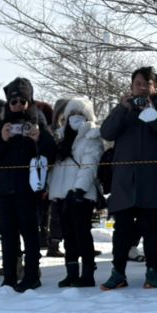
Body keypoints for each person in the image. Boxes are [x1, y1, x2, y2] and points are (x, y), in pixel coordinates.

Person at [100, 66, 157, 290]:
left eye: (147, 83)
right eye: (137, 83)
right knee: (122, 231)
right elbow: (106, 132)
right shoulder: (124, 109)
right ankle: (117, 273)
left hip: (154, 181)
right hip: (125, 181)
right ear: (131, 86)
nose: (142, 87)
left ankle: (152, 271)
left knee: (153, 230)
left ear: (155, 87)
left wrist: (152, 115)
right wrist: (121, 109)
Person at [0, 78, 57, 291]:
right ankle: (10, 275)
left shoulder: (37, 123)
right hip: (4, 190)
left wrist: (39, 138)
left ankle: (32, 275)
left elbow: (52, 153)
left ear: (29, 101)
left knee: (30, 234)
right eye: (13, 101)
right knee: (8, 235)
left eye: (22, 101)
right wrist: (1, 138)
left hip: (28, 190)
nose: (18, 105)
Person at [46, 97, 105, 287]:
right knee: (68, 235)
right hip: (62, 194)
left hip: (81, 195)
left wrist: (78, 189)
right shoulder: (62, 138)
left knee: (82, 234)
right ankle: (71, 272)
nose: (75, 118)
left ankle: (88, 272)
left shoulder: (92, 136)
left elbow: (89, 165)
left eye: (80, 114)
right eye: (71, 114)